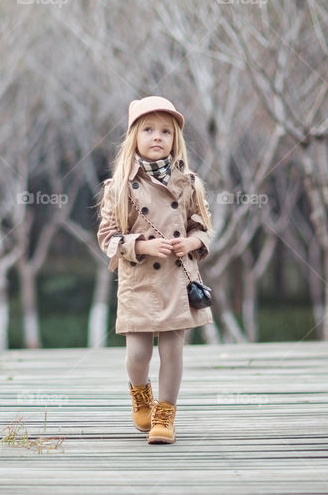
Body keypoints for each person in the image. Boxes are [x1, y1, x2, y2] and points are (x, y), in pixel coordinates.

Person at [97, 96, 215, 444]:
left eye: (165, 131)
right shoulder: (118, 187)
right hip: (139, 282)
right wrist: (142, 246)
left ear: (175, 138)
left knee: (172, 351)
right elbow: (106, 237)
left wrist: (191, 244)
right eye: (148, 129)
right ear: (134, 135)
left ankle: (165, 414)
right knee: (138, 354)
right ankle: (140, 392)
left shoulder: (188, 182)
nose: (157, 137)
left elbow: (204, 228)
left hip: (179, 278)